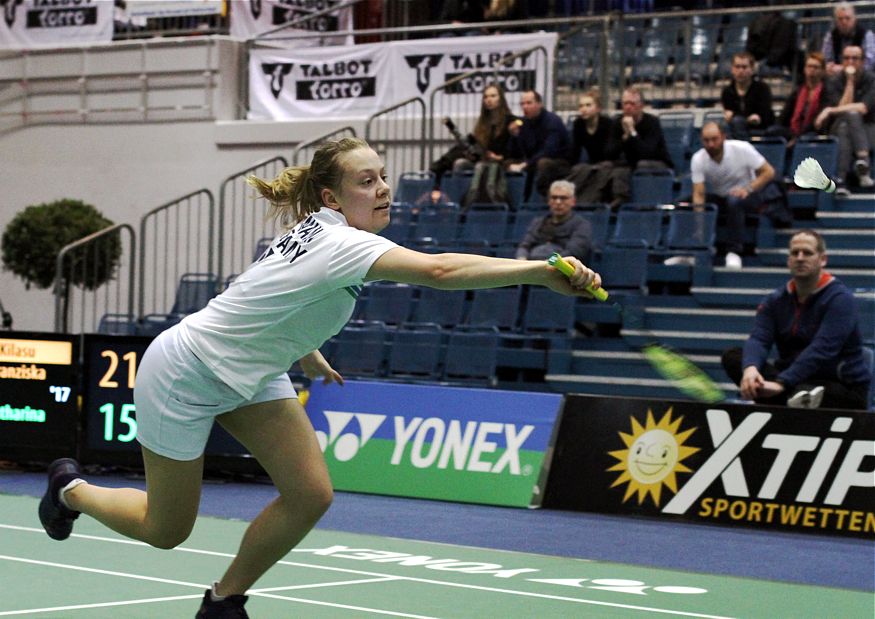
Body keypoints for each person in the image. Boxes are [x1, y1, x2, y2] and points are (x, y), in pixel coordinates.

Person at [37, 137, 601, 619]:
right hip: (185, 373)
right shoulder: (339, 241)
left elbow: (269, 295)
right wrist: (539, 271)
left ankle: (224, 601)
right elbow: (440, 270)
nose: (383, 188)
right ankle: (70, 488)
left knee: (309, 495)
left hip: (251, 372)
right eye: (366, 180)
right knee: (167, 530)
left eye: (384, 177)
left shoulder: (318, 230)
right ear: (333, 197)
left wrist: (303, 349)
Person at [722, 229, 871, 410]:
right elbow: (759, 338)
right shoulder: (775, 300)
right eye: (795, 253)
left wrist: (781, 383)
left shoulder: (841, 299)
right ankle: (788, 399)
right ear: (789, 260)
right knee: (734, 357)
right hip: (792, 379)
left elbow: (822, 350)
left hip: (838, 386)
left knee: (813, 393)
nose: (800, 258)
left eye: (807, 253)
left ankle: (781, 398)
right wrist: (750, 369)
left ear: (822, 259)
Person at [690, 121, 776, 269]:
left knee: (734, 200)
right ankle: (691, 250)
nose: (710, 144)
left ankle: (734, 252)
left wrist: (747, 189)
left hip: (750, 195)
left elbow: (769, 172)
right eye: (706, 140)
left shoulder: (742, 148)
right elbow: (698, 193)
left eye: (714, 139)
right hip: (722, 197)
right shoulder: (698, 159)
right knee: (684, 203)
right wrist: (699, 222)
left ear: (723, 137)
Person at [428, 82, 516, 203]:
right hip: (480, 158)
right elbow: (477, 144)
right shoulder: (483, 123)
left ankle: (438, 171)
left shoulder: (511, 121)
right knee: (459, 161)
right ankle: (456, 199)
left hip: (497, 163)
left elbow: (514, 148)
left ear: (501, 99)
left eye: (493, 96)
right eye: (486, 97)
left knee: (465, 156)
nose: (489, 99)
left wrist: (499, 157)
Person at [814, 45, 875, 192]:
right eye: (846, 58)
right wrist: (850, 82)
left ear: (862, 61)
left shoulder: (871, 79)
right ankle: (863, 165)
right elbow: (843, 109)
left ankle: (840, 181)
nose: (850, 62)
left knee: (847, 123)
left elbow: (863, 108)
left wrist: (829, 110)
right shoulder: (834, 81)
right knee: (848, 117)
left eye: (855, 58)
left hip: (868, 130)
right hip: (840, 127)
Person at [602, 86, 675, 207]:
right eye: (625, 103)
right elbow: (608, 153)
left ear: (641, 105)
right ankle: (607, 204)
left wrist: (632, 132)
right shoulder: (617, 122)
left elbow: (646, 153)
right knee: (606, 166)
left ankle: (646, 204)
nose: (628, 107)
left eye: (632, 104)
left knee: (642, 164)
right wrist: (625, 137)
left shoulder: (652, 122)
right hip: (630, 163)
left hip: (657, 162)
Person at [506, 89, 572, 200]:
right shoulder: (522, 123)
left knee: (543, 163)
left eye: (529, 103)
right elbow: (518, 152)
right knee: (505, 163)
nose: (525, 107)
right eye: (522, 104)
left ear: (539, 104)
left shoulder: (552, 121)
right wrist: (515, 135)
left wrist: (526, 164)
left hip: (559, 163)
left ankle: (546, 199)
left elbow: (549, 151)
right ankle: (511, 201)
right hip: (533, 160)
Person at [515, 180, 592, 261]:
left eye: (563, 198)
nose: (558, 202)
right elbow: (524, 246)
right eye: (554, 198)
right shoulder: (538, 222)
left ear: (573, 201)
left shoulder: (581, 225)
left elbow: (574, 253)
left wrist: (549, 262)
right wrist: (522, 259)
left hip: (559, 268)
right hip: (533, 265)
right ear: (549, 201)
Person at [566, 88, 620, 205]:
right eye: (581, 106)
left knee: (602, 168)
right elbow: (575, 151)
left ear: (598, 108)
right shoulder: (578, 124)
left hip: (611, 162)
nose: (583, 109)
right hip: (592, 162)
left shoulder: (608, 123)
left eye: (588, 105)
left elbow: (611, 153)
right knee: (579, 169)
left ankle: (589, 202)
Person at [771, 51, 828, 147]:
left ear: (822, 71)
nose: (812, 70)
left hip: (814, 131)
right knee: (772, 131)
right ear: (805, 69)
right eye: (809, 66)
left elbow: (818, 122)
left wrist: (797, 137)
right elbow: (784, 116)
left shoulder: (826, 91)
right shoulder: (798, 91)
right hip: (794, 130)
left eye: (816, 67)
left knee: (807, 138)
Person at [720, 51, 777, 139]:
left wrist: (739, 116)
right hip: (737, 126)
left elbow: (764, 114)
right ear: (732, 69)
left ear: (752, 69)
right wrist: (746, 118)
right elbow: (729, 115)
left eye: (744, 67)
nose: (741, 71)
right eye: (737, 67)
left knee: (737, 121)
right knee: (723, 127)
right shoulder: (727, 91)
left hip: (761, 127)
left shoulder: (762, 88)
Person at [820, 2, 875, 76]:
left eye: (847, 18)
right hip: (837, 79)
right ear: (836, 21)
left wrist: (844, 69)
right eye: (840, 19)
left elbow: (869, 64)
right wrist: (828, 67)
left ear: (854, 19)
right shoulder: (830, 36)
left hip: (861, 78)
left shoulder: (867, 35)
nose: (844, 22)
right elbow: (824, 59)